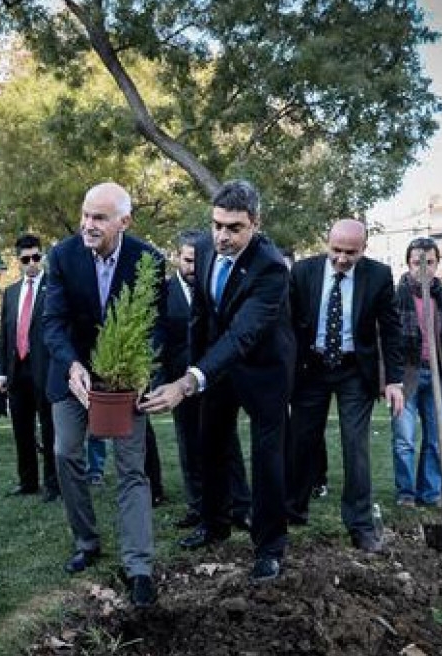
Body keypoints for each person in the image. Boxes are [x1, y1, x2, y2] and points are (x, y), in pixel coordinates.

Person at [141, 180, 295, 583]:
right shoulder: (206, 250)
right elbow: (203, 317)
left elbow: (243, 334)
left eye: (234, 228)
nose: (222, 236)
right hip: (216, 366)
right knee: (209, 443)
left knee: (267, 459)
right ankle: (214, 523)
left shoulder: (272, 266)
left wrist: (188, 382)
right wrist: (192, 369)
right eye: (217, 225)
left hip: (265, 370)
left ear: (255, 225)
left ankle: (269, 548)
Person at [42, 181, 165, 608]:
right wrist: (73, 364)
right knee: (65, 453)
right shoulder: (60, 256)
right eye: (85, 215)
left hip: (126, 378)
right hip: (72, 375)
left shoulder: (148, 259)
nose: (87, 225)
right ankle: (86, 541)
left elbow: (159, 324)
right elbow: (52, 322)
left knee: (132, 467)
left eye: (99, 218)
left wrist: (143, 369)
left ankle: (139, 566)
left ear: (124, 222)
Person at [284, 219, 404, 553]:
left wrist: (393, 379)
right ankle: (292, 510)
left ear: (364, 249)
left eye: (350, 252)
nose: (341, 258)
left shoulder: (378, 276)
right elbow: (288, 326)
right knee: (300, 441)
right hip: (311, 368)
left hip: (355, 370)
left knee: (356, 447)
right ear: (327, 243)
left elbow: (391, 330)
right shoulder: (303, 272)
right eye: (336, 250)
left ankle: (360, 526)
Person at [161, 229, 252, 531]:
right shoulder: (162, 292)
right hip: (178, 382)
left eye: (197, 261)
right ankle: (198, 507)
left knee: (228, 443)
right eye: (187, 260)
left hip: (217, 377)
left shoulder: (217, 287)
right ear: (177, 257)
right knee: (189, 444)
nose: (192, 268)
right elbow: (156, 339)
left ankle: (240, 506)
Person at [390, 237, 442, 507]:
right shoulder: (395, 296)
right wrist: (387, 380)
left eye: (430, 263)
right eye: (416, 262)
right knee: (404, 440)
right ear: (408, 263)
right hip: (405, 377)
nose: (423, 268)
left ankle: (430, 492)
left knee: (436, 440)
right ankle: (406, 493)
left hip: (437, 376)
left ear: (437, 264)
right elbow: (383, 341)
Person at [0, 233, 58, 501]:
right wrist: (0, 371)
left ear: (41, 256)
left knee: (50, 428)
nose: (32, 263)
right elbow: (5, 335)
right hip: (16, 370)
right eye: (26, 259)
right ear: (18, 261)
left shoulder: (54, 287)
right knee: (21, 429)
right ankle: (28, 481)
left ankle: (53, 485)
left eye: (36, 257)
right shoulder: (10, 293)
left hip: (44, 369)